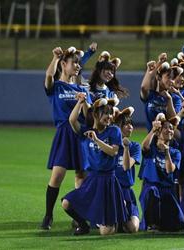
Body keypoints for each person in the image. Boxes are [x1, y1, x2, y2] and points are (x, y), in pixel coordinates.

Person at [41, 46, 92, 230]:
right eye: (74, 63)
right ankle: (48, 215)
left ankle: (78, 215)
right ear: (64, 64)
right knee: (57, 175)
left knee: (81, 175)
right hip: (64, 133)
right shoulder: (56, 86)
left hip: (79, 133)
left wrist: (84, 101)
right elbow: (48, 77)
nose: (78, 66)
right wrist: (55, 58)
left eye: (79, 63)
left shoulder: (80, 88)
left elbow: (88, 118)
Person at [62, 97, 127, 235]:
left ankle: (117, 218)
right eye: (106, 113)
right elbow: (72, 120)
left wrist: (96, 140)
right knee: (66, 203)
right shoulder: (86, 131)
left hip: (108, 181)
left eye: (111, 113)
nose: (109, 117)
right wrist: (80, 102)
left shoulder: (114, 131)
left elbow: (113, 151)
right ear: (96, 114)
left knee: (106, 232)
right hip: (92, 179)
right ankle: (83, 225)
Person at [138, 113, 184, 231]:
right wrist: (153, 130)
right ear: (159, 132)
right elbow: (144, 146)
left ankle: (160, 222)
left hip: (167, 190)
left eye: (171, 128)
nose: (169, 130)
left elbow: (170, 170)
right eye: (166, 128)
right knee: (152, 192)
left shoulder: (175, 152)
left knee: (178, 224)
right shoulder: (152, 148)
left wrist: (167, 152)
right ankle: (151, 223)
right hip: (151, 187)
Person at [113, 106, 142, 233]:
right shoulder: (110, 146)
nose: (130, 127)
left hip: (126, 192)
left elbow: (126, 166)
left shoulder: (134, 146)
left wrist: (125, 148)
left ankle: (121, 218)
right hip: (112, 191)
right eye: (126, 124)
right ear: (118, 127)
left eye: (131, 124)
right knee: (107, 230)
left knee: (133, 228)